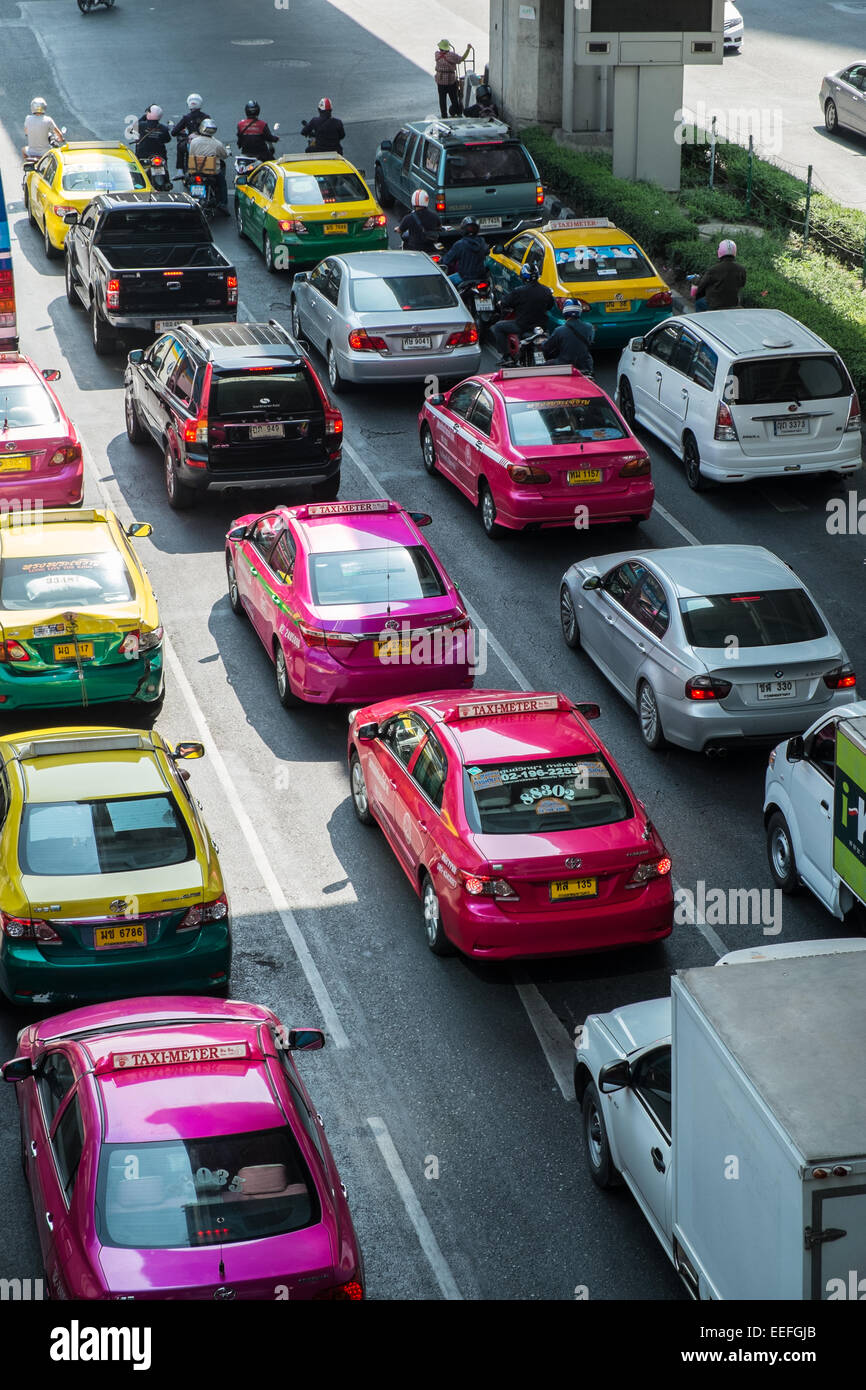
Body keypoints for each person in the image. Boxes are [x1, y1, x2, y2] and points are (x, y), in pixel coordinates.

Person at [490, 261, 555, 362]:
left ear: (523, 276)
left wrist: (500, 303)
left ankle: (506, 356)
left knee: (498, 327)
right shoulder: (546, 291)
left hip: (522, 326)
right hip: (542, 326)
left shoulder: (519, 291)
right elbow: (550, 306)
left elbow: (505, 302)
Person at [691, 238, 747, 311]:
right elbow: (742, 284)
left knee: (699, 303)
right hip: (733, 304)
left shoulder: (713, 269)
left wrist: (697, 294)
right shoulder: (741, 269)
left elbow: (702, 286)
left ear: (720, 251)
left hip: (714, 305)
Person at [188, 118, 229, 215]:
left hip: (196, 170)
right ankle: (223, 203)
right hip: (212, 172)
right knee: (222, 184)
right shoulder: (217, 143)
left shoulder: (194, 141)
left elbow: (191, 154)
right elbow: (224, 155)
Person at [542, 299, 594, 374]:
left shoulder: (559, 330)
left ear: (565, 311)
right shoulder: (589, 327)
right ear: (579, 311)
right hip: (585, 365)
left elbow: (546, 347)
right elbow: (590, 341)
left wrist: (543, 342)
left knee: (543, 365)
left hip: (565, 364)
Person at [171, 94, 209, 173]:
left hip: (191, 144)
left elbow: (174, 132)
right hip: (205, 143)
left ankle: (180, 170)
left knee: (180, 146)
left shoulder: (187, 117)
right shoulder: (206, 117)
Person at [443, 218, 488, 285]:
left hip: (464, 277)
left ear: (463, 229)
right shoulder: (482, 242)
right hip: (481, 277)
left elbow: (446, 260)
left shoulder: (460, 244)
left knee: (443, 283)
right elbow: (487, 252)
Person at [435, 39, 471, 118]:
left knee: (442, 99)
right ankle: (458, 113)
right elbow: (461, 59)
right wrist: (468, 49)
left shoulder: (437, 54)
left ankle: (444, 116)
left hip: (440, 81)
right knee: (454, 98)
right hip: (450, 81)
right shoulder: (451, 55)